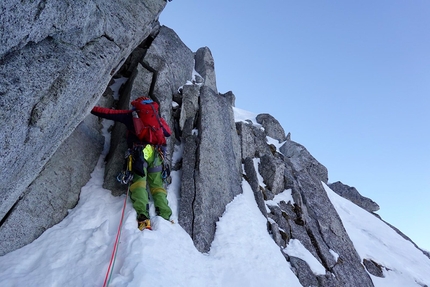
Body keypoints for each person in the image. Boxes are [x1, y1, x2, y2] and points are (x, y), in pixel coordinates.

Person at [91, 96, 172, 230]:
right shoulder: (156, 117)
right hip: (156, 154)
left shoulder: (131, 115)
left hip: (139, 153)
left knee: (139, 184)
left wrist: (90, 108)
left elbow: (109, 113)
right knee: (157, 186)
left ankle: (143, 218)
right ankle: (165, 216)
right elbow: (167, 133)